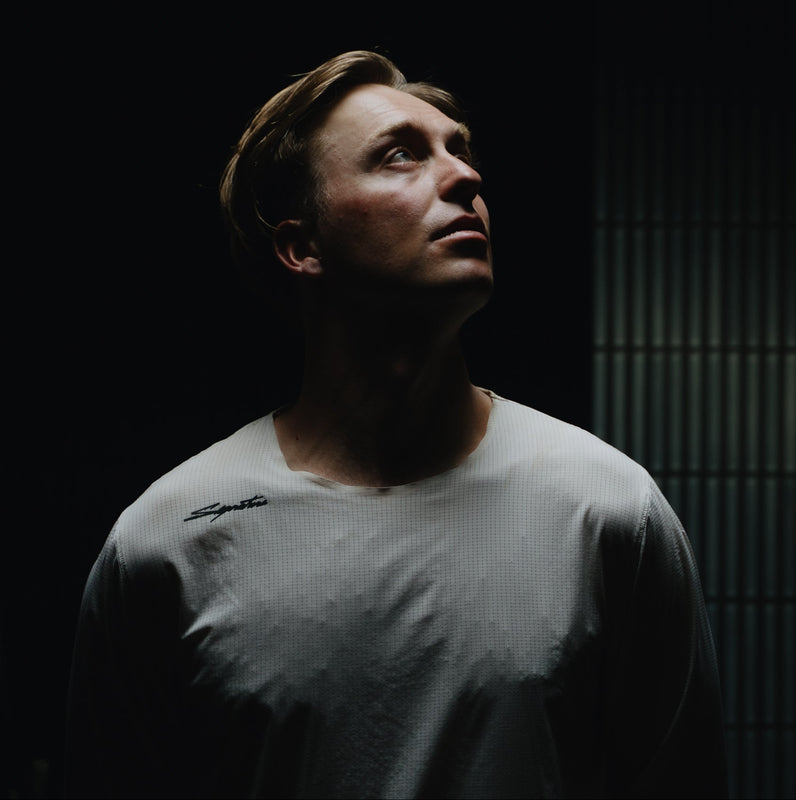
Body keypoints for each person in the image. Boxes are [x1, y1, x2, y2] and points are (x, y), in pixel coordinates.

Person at [65, 50, 728, 798]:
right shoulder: (169, 539)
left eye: (460, 150)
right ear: (301, 246)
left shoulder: (606, 508)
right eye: (401, 155)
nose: (465, 177)